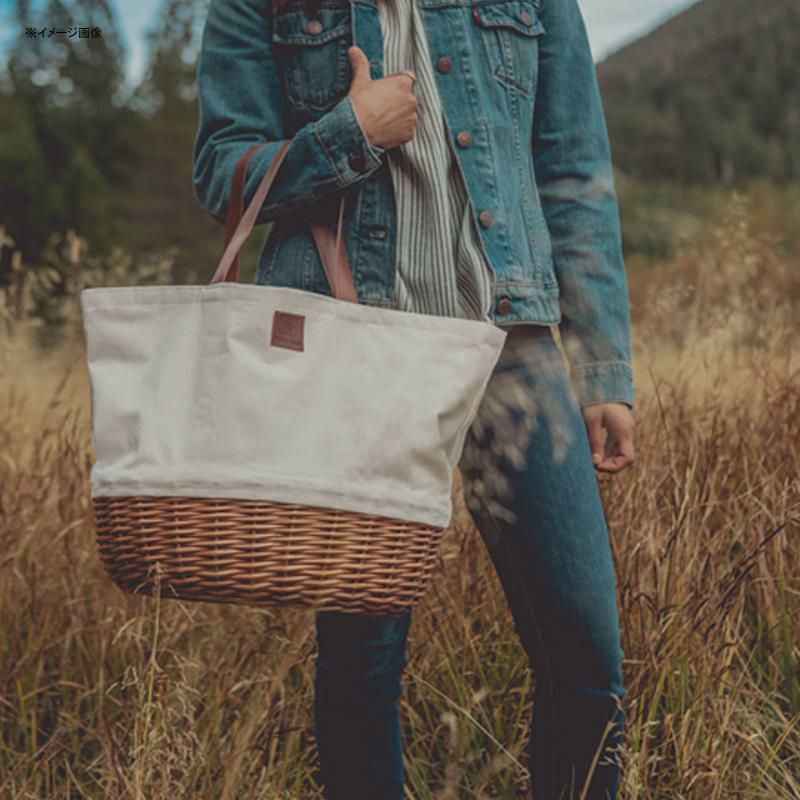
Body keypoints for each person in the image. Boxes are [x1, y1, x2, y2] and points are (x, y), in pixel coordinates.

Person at [192, 0, 636, 797]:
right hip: (357, 347)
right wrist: (347, 134)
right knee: (362, 667)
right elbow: (220, 168)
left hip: (512, 348)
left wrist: (603, 368)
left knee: (586, 655)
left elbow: (572, 170)